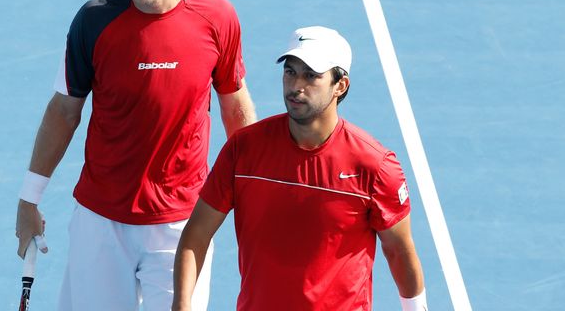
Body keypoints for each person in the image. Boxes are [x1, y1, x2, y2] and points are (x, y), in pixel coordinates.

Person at [14, 0, 257, 311]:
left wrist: (258, 187)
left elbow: (235, 107)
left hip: (182, 222)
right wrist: (28, 199)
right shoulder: (93, 20)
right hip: (101, 221)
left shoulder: (217, 18)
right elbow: (63, 112)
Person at [173, 26, 428, 311]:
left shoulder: (375, 166)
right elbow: (196, 235)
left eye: (311, 76)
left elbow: (398, 251)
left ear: (340, 85)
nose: (296, 86)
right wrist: (181, 305)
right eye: (290, 72)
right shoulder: (243, 149)